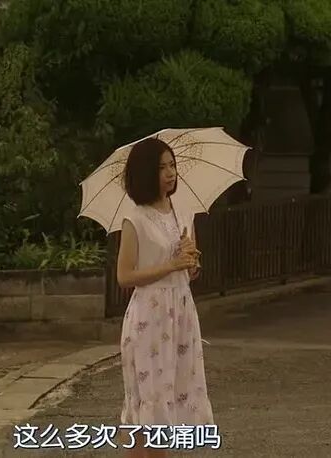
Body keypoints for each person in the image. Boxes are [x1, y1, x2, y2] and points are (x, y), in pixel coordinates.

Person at [116, 137, 213, 457]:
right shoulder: (136, 219)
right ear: (147, 173)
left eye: (172, 165)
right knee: (149, 402)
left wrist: (191, 262)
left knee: (177, 395)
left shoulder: (184, 212)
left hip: (181, 312)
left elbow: (189, 271)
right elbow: (124, 276)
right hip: (150, 316)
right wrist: (170, 264)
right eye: (161, 168)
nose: (170, 173)